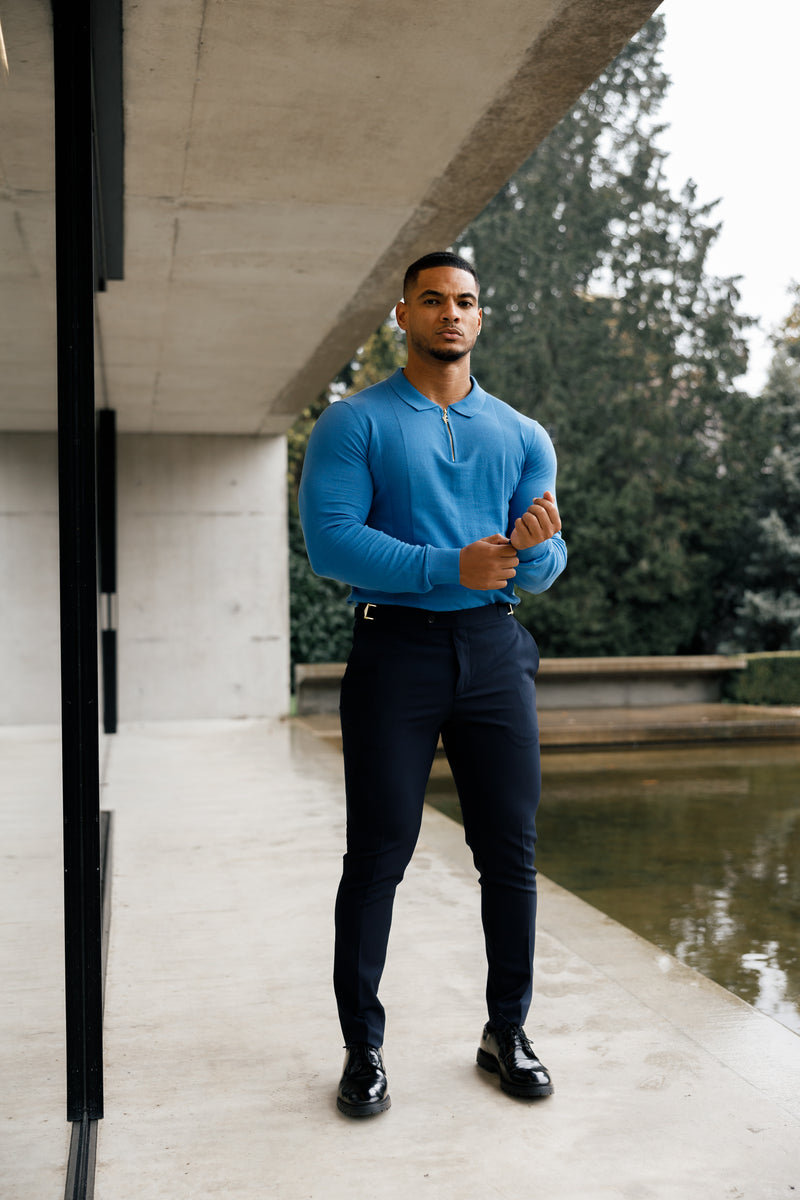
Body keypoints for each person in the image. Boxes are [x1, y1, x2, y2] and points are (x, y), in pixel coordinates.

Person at [299, 250, 566, 1118]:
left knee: (511, 855)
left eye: (467, 302)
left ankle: (506, 1032)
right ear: (403, 314)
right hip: (395, 654)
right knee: (378, 855)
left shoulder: (523, 434)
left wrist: (532, 546)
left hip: (494, 652)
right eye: (434, 300)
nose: (452, 313)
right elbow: (332, 545)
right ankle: (363, 1050)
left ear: (480, 317)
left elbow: (548, 563)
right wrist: (453, 562)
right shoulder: (355, 423)